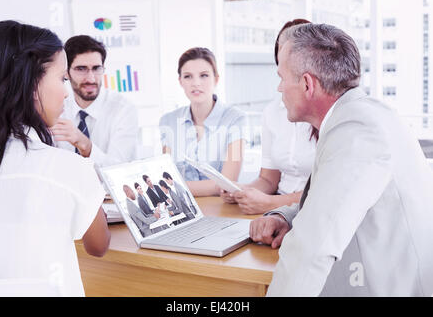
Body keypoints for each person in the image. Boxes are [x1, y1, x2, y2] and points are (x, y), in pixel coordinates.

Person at [250, 23, 433, 297]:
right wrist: (288, 216)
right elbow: (337, 200)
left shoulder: (357, 130)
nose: (279, 88)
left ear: (307, 84)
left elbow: (312, 248)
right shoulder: (363, 115)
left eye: (282, 77)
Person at [0, 21, 111, 297]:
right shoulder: (68, 168)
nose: (67, 91)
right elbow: (98, 245)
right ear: (29, 83)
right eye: (62, 78)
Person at [221, 19, 316, 215]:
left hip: (309, 210)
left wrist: (270, 203)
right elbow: (268, 180)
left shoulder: (324, 114)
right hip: (278, 210)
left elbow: (325, 193)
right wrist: (243, 191)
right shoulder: (272, 112)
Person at [159, 47, 246, 197]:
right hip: (183, 210)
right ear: (180, 81)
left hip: (221, 209)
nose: (196, 83)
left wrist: (174, 186)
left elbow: (227, 184)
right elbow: (167, 177)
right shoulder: (168, 121)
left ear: (216, 79)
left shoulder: (234, 119)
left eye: (204, 75)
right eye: (188, 76)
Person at [51, 35, 139, 167]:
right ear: (66, 73)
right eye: (81, 69)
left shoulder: (124, 109)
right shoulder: (55, 105)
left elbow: (119, 170)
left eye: (96, 68)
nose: (91, 78)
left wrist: (85, 146)